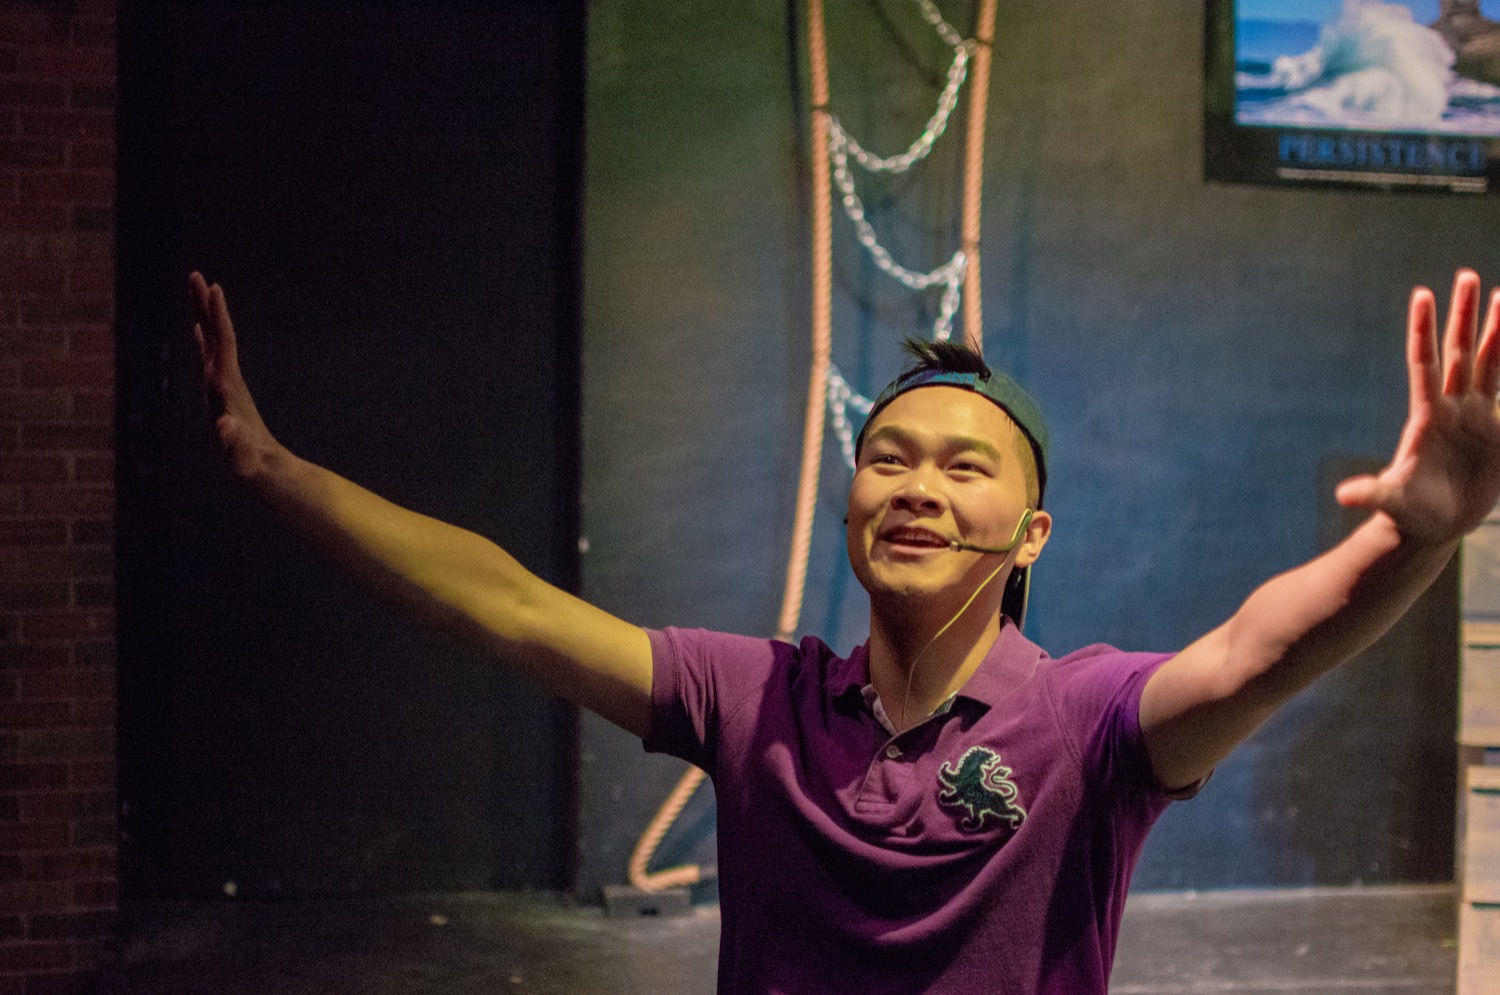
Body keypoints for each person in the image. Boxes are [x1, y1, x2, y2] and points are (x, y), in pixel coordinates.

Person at [188, 268, 1500, 994]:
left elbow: (1259, 650)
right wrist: (278, 473)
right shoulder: (752, 698)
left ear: (1032, 535)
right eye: (888, 458)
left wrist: (1416, 536)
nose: (918, 485)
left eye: (966, 468)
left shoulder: (1081, 721)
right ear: (853, 504)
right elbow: (512, 603)